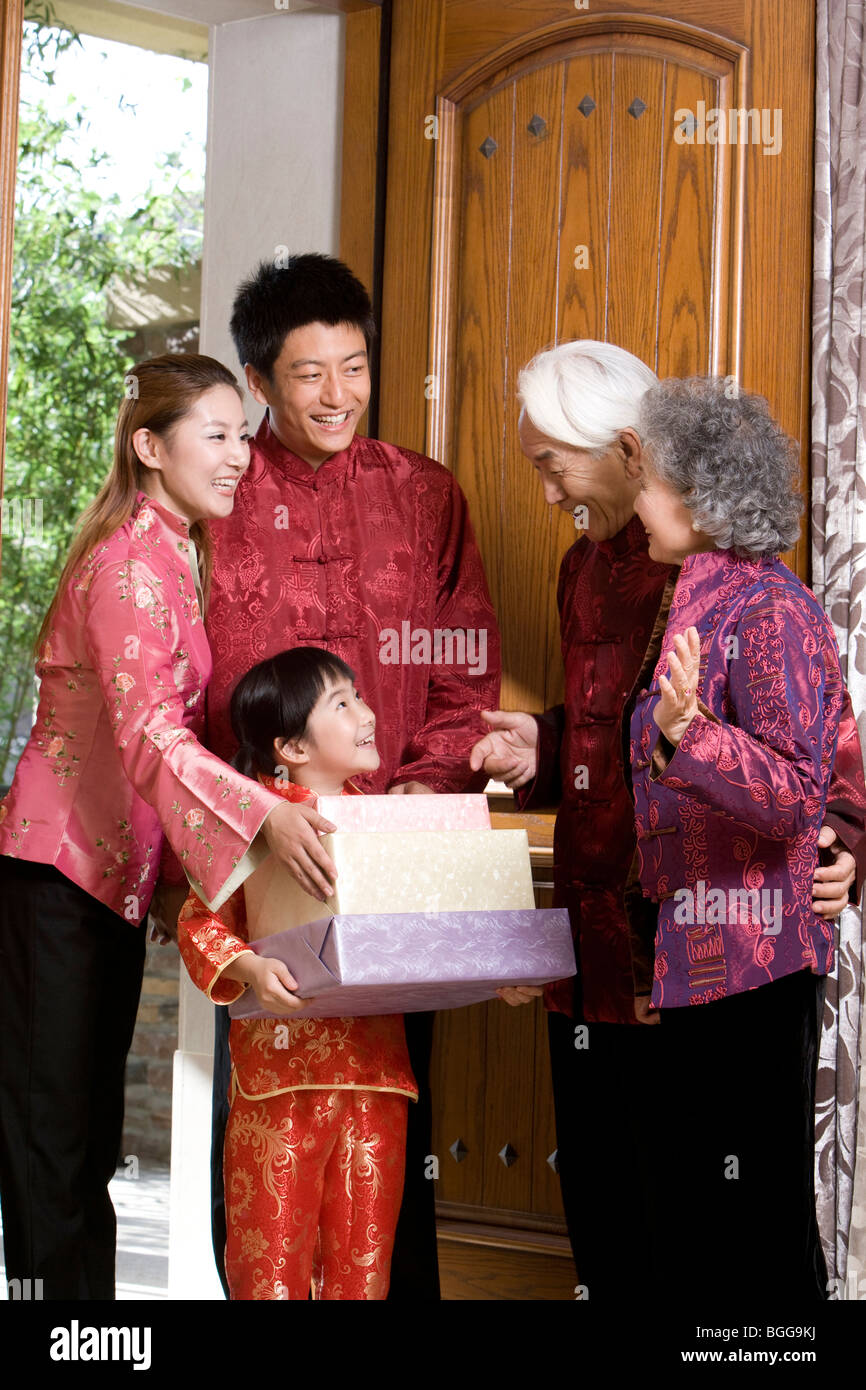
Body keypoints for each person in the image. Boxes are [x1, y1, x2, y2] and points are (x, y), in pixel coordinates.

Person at [470, 341, 866, 1300]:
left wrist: (844, 845)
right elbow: (622, 732)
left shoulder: (750, 592)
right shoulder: (594, 572)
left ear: (637, 456)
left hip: (724, 953)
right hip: (619, 941)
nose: (545, 484)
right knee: (634, 1221)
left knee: (733, 1233)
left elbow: (814, 769)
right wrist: (543, 741)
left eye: (552, 461)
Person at [0, 355, 331, 1300]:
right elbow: (151, 732)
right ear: (149, 447)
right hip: (51, 872)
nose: (239, 457)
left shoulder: (176, 551)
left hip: (101, 882)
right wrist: (261, 812)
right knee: (52, 1146)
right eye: (216, 436)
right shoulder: (126, 564)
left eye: (241, 434)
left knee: (81, 1143)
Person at [202, 253, 500, 1299]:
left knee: (392, 1121)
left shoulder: (423, 495)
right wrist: (242, 817)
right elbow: (185, 685)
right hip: (260, 851)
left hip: (399, 851)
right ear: (257, 380)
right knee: (261, 1119)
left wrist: (420, 789)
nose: (336, 395)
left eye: (355, 367)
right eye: (307, 374)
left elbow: (466, 664)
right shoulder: (218, 496)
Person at [625, 375, 847, 1296]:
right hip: (695, 954)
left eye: (648, 478)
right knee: (704, 1232)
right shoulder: (694, 598)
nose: (635, 497)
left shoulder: (771, 610)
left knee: (756, 1231)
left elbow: (800, 794)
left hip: (757, 961)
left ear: (699, 498)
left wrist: (690, 735)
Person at [177, 646, 417, 1300]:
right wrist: (249, 966)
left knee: (363, 1276)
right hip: (277, 1083)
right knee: (270, 1270)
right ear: (291, 746)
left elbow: (429, 927)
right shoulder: (252, 826)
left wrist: (488, 971)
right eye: (341, 704)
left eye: (359, 696)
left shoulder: (388, 825)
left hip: (376, 1078)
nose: (365, 714)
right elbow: (198, 923)